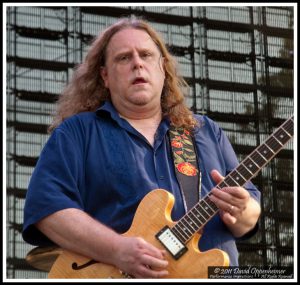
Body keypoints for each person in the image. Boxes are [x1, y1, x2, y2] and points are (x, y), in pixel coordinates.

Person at [22, 17, 261, 278]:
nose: (137, 63)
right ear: (105, 76)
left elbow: (249, 212)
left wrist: (244, 211)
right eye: (124, 58)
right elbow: (47, 208)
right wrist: (117, 250)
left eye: (146, 55)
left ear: (162, 68)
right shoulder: (78, 133)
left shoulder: (205, 131)